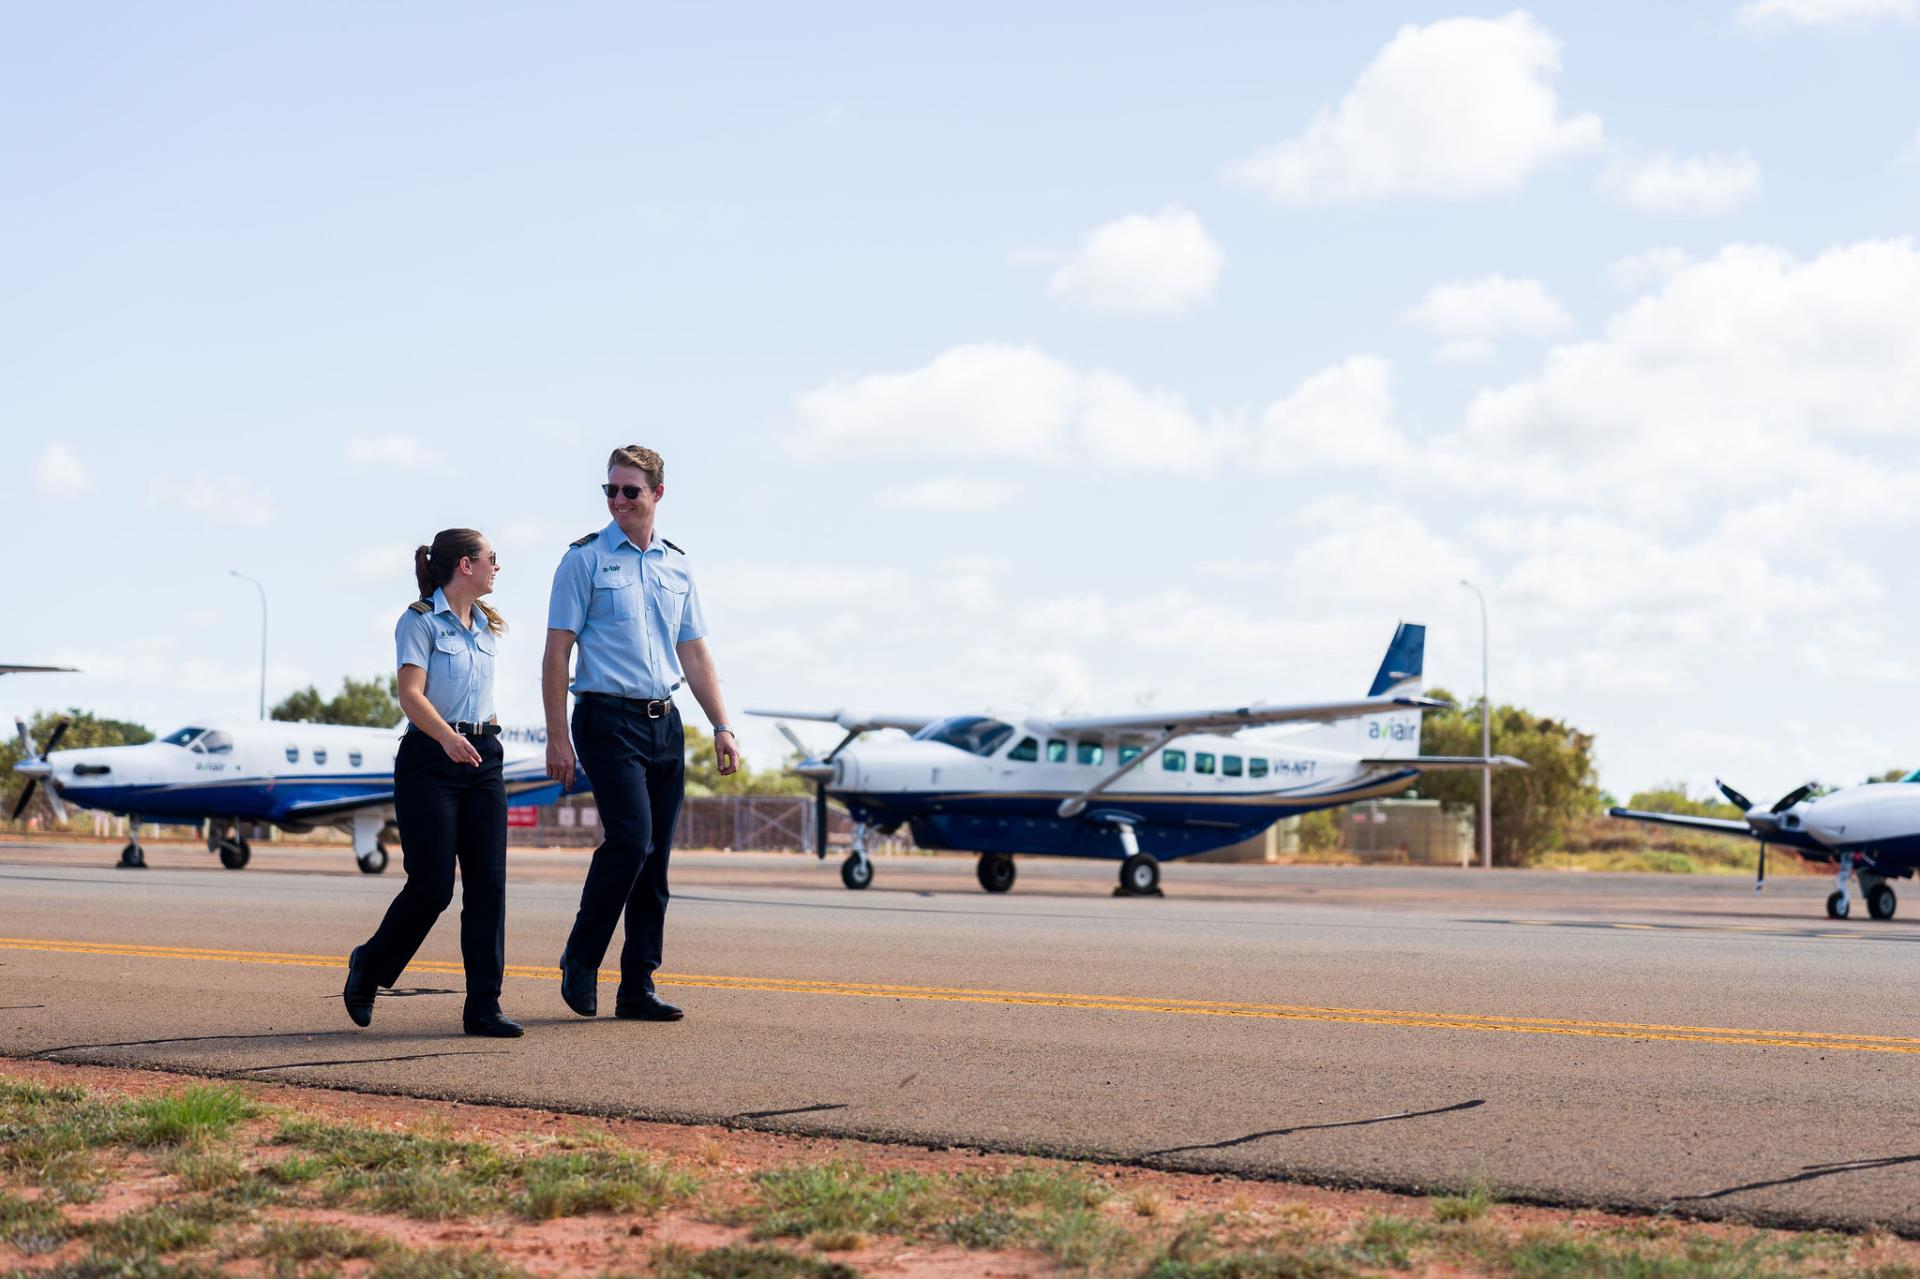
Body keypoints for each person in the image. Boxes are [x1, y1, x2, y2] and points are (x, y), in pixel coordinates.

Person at [543, 445, 740, 1021]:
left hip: (664, 722)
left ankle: (637, 986)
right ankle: (581, 958)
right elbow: (557, 654)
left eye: (630, 490)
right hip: (604, 717)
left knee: (655, 859)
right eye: (611, 490)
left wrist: (721, 726)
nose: (619, 501)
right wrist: (560, 737)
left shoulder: (677, 564)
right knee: (630, 839)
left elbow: (695, 651)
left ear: (657, 493)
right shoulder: (582, 561)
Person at [343, 529, 522, 1038]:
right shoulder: (418, 621)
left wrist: (482, 738)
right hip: (430, 757)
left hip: (482, 757)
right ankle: (369, 966)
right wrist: (447, 738)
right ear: (465, 565)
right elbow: (410, 694)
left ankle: (483, 1006)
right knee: (433, 887)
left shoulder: (486, 624)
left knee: (488, 886)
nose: (497, 567)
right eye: (492, 558)